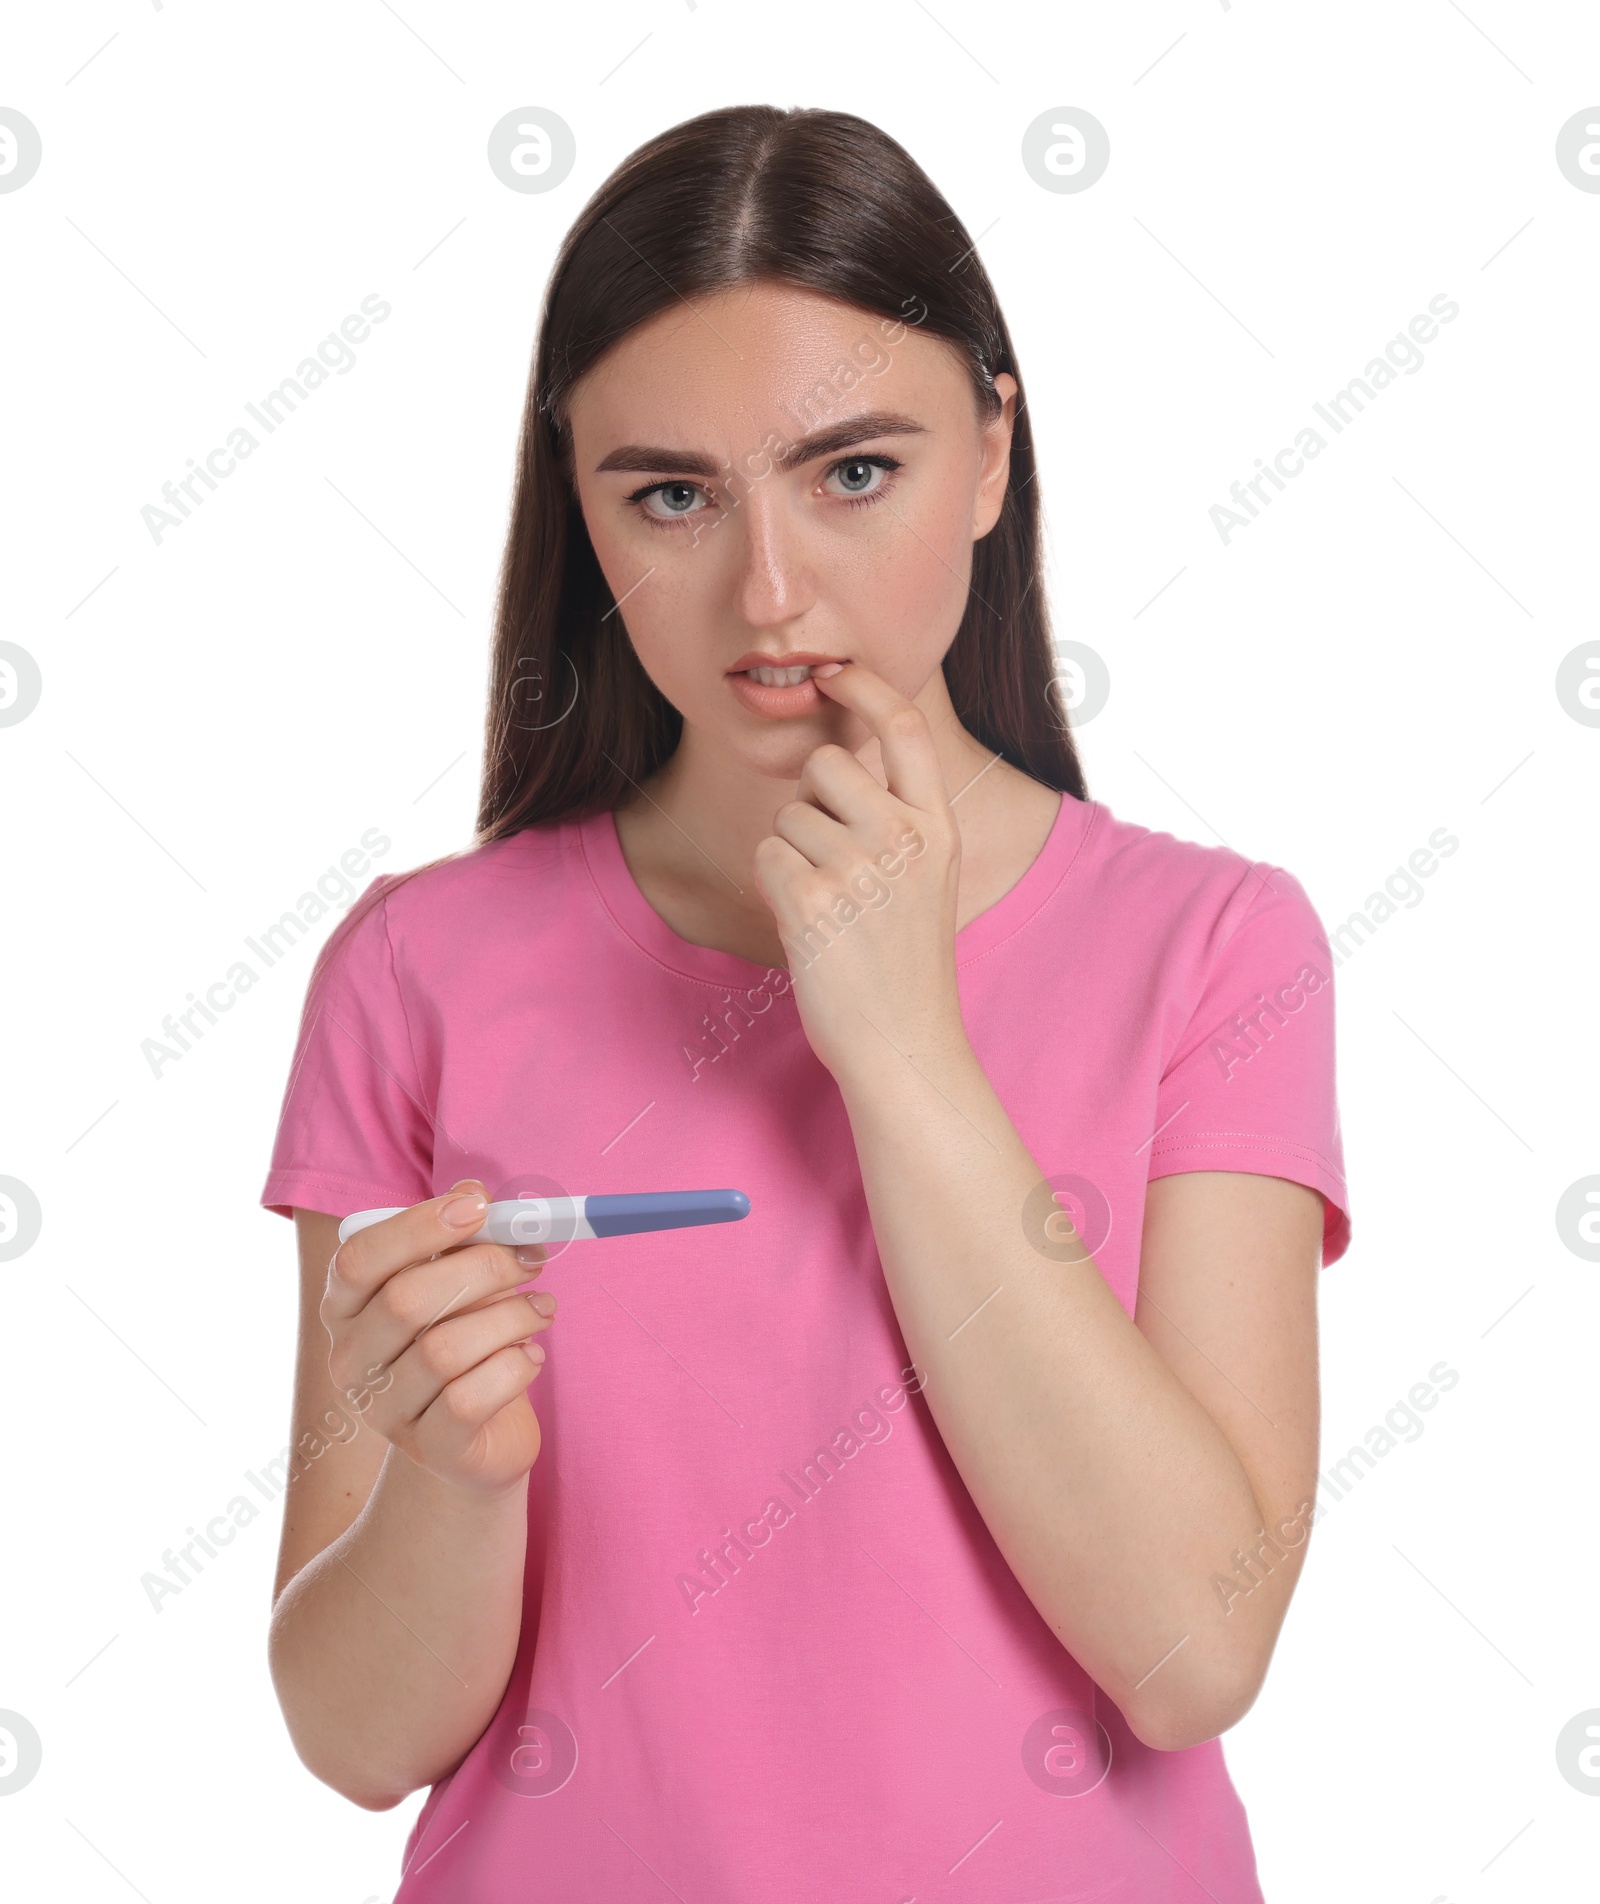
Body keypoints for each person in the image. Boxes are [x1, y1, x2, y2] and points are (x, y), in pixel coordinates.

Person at [261, 103, 1349, 1902]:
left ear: (994, 455)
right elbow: (356, 1740)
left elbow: (1193, 1651)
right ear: (581, 505)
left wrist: (904, 1043)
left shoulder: (1216, 946)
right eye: (672, 494)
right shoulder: (415, 973)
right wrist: (451, 1481)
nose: (769, 593)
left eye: (856, 472)